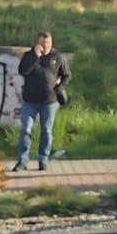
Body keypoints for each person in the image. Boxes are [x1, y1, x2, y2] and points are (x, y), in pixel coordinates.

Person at [16, 31, 70, 171]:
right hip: (30, 100)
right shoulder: (29, 56)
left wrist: (60, 87)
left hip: (49, 101)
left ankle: (43, 159)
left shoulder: (57, 57)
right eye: (42, 43)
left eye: (48, 43)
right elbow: (23, 71)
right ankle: (23, 160)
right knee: (26, 129)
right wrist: (35, 57)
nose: (45, 46)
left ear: (51, 43)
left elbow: (66, 75)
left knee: (46, 130)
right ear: (37, 43)